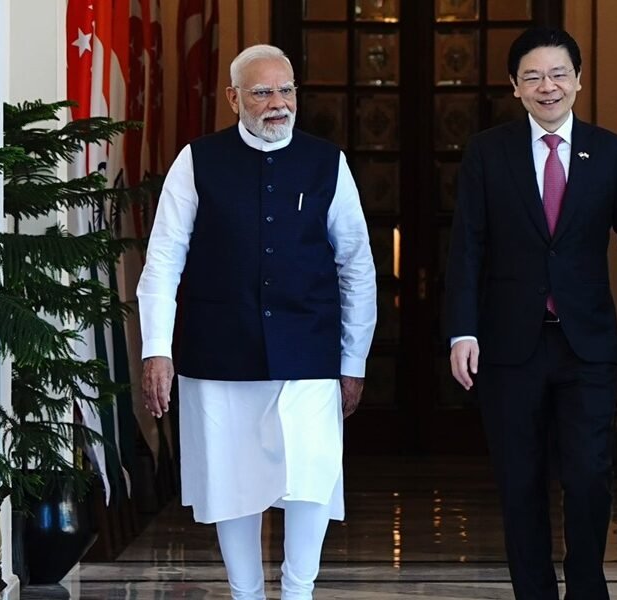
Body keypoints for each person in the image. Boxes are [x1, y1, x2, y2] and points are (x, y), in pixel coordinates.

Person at [136, 44, 376, 600]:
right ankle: (246, 594)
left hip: (310, 352)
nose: (277, 103)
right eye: (263, 91)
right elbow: (164, 260)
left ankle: (298, 592)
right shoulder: (197, 160)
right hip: (219, 352)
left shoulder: (327, 162)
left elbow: (357, 265)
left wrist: (353, 358)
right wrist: (157, 349)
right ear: (233, 98)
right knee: (233, 483)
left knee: (311, 479)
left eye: (286, 90)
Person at [444, 28, 617, 600]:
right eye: (534, 77)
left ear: (579, 80)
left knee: (590, 475)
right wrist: (462, 331)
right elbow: (466, 248)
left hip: (588, 346)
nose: (549, 87)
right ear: (514, 87)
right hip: (508, 346)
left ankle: (588, 588)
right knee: (520, 481)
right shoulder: (487, 153)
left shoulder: (611, 152)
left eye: (559, 74)